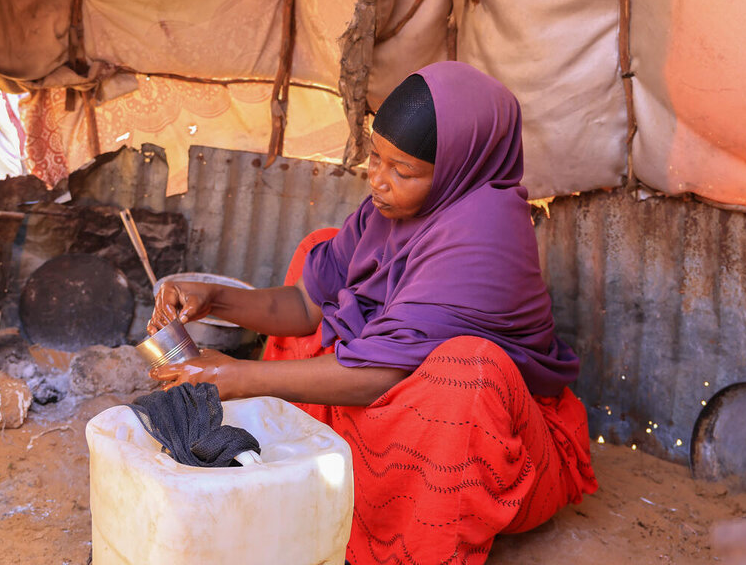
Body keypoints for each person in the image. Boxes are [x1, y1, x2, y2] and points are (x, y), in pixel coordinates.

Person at [147, 61, 597, 565]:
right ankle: (327, 473)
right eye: (375, 158)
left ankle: (410, 534)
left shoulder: (484, 239)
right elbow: (303, 304)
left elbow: (380, 374)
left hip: (489, 453)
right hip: (384, 390)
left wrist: (239, 377)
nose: (377, 181)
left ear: (458, 168)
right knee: (319, 251)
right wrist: (214, 298)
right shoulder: (387, 213)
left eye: (401, 170)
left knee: (469, 371)